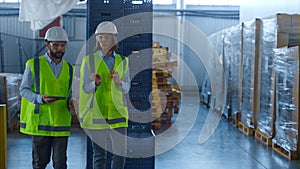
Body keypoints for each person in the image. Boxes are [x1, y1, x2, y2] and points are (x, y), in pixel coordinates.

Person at [19, 26, 74, 169]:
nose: (59, 49)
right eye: (55, 45)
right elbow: (23, 90)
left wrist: (73, 102)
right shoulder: (33, 64)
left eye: (62, 45)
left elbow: (71, 93)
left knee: (60, 164)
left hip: (61, 122)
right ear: (47, 44)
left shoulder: (70, 68)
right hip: (40, 123)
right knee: (40, 163)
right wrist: (39, 98)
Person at [78, 21, 130, 169]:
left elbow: (127, 88)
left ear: (114, 39)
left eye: (107, 37)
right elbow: (85, 89)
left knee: (120, 153)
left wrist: (120, 82)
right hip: (96, 114)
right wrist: (96, 84)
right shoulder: (88, 61)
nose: (103, 40)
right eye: (100, 37)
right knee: (100, 155)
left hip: (117, 113)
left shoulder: (123, 61)